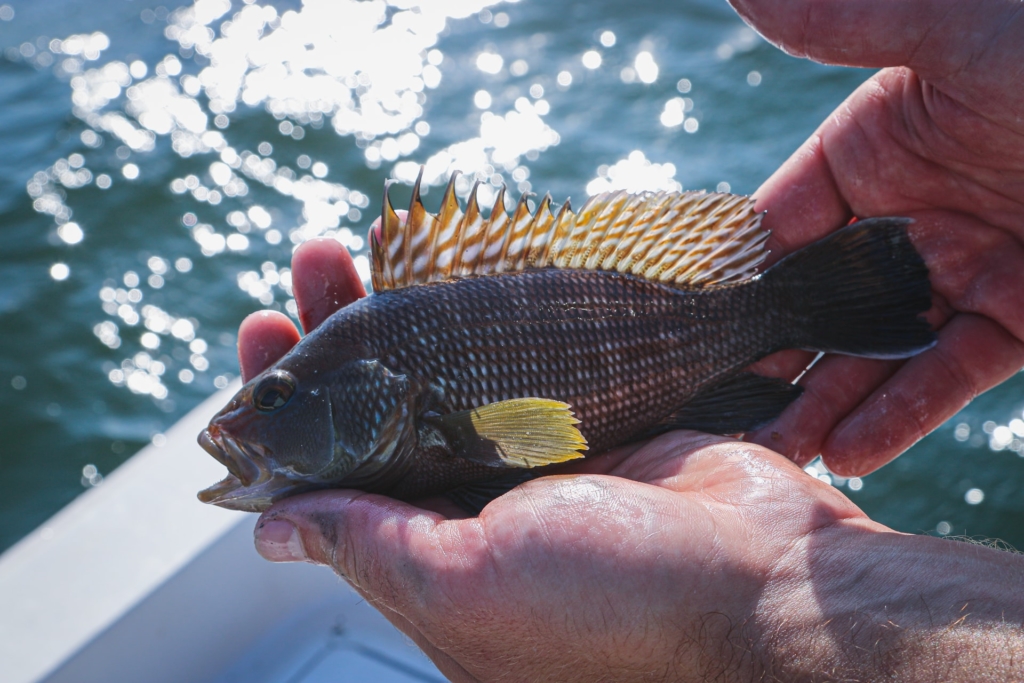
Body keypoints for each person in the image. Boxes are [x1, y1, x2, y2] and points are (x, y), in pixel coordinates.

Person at [241, 0, 1024, 678]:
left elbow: (536, 431)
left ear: (370, 386)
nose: (242, 426)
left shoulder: (400, 382)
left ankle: (811, 300)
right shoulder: (381, 365)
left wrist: (737, 620)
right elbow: (530, 435)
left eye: (274, 397)